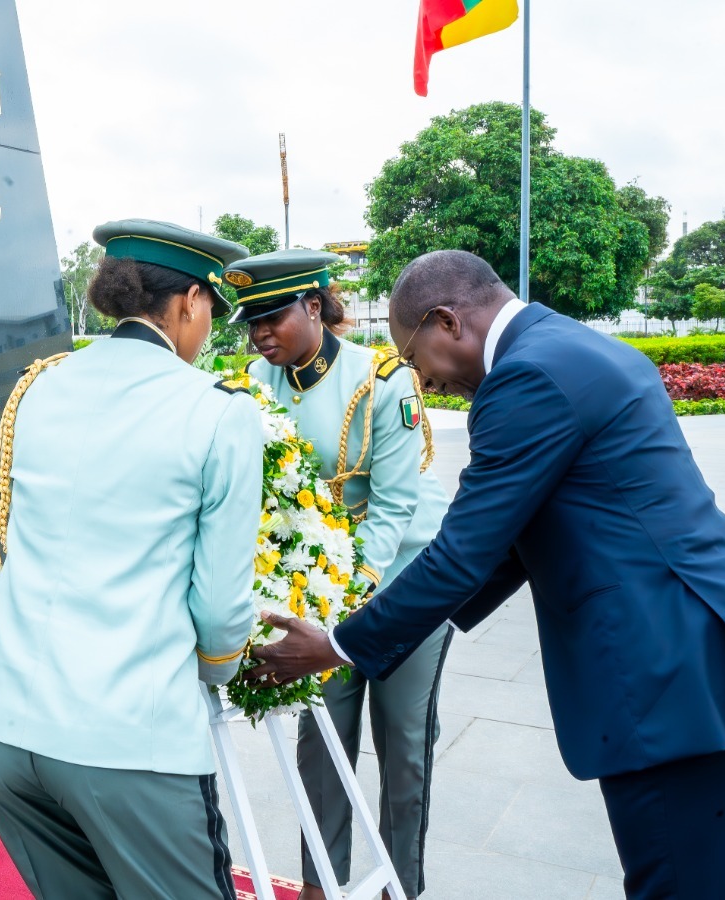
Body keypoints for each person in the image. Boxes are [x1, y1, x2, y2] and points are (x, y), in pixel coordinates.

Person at [247, 250, 725, 900]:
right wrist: (402, 622)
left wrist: (337, 645)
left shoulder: (526, 379)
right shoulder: (568, 346)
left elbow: (465, 551)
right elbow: (504, 551)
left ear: (448, 322)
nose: (429, 383)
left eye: (417, 359)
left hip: (682, 684)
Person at [0, 219, 258, 900]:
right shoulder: (216, 411)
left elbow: (11, 538)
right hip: (126, 738)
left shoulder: (37, 387)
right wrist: (223, 667)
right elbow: (216, 609)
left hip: (2, 729)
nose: (207, 328)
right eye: (211, 309)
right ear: (188, 303)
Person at [228, 249, 450, 899]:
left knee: (405, 747)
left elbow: (394, 505)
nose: (260, 335)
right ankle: (322, 885)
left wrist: (349, 604)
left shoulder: (382, 380)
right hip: (318, 588)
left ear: (316, 307)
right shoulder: (255, 385)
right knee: (320, 748)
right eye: (250, 323)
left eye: (272, 318)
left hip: (404, 580)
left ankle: (400, 888)